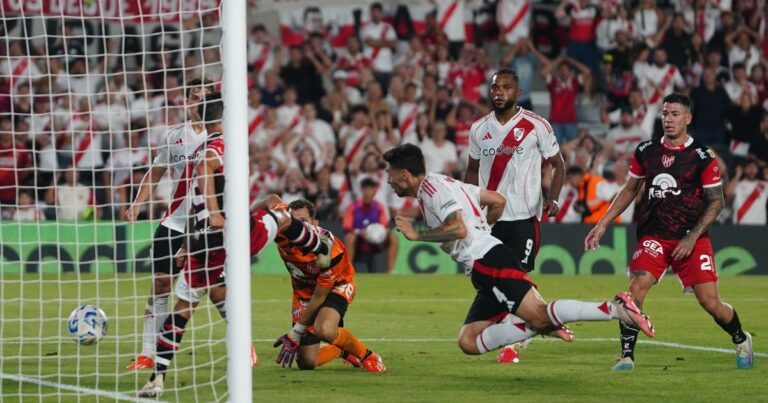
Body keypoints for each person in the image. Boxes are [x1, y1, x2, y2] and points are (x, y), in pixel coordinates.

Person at [384, 144, 655, 361]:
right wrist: (484, 227)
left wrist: (417, 234)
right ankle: (538, 325)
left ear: (404, 174)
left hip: (487, 260)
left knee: (538, 312)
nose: (388, 180)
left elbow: (458, 229)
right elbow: (497, 200)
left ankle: (614, 308)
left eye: (390, 173)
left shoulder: (432, 190)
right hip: (484, 264)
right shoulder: (443, 184)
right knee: (469, 341)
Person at [137, 96, 332, 397]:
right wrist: (216, 212)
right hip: (234, 233)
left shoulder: (201, 147)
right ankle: (318, 246)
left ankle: (157, 378)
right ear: (223, 119)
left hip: (207, 239)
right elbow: (205, 171)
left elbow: (200, 197)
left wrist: (193, 238)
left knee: (184, 307)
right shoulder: (218, 148)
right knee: (280, 218)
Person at [584, 93, 753, 371]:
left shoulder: (701, 156)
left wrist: (692, 236)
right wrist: (603, 223)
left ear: (688, 118)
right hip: (654, 234)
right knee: (636, 287)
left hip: (691, 236)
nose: (668, 119)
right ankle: (627, 355)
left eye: (675, 114)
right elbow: (630, 190)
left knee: (710, 303)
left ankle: (740, 337)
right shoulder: (646, 150)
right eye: (664, 113)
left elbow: (717, 201)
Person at [464, 69, 565, 363]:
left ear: (517, 92)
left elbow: (558, 164)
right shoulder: (478, 129)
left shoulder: (536, 125)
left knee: (517, 277)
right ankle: (538, 319)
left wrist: (553, 197)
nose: (499, 92)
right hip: (489, 220)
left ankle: (516, 341)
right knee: (487, 281)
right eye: (495, 87)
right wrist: (470, 206)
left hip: (523, 217)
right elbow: (471, 170)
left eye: (506, 87)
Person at [125, 77, 213, 370]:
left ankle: (244, 348)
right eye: (195, 97)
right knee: (161, 284)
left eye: (205, 97)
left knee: (221, 288)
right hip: (175, 222)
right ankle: (148, 352)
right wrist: (138, 202)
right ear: (187, 102)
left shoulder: (225, 138)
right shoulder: (174, 136)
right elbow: (155, 172)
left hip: (208, 225)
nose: (200, 102)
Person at [272, 199, 386, 372]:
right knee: (307, 363)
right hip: (303, 293)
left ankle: (368, 356)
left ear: (315, 223)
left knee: (324, 329)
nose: (299, 227)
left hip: (337, 284)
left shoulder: (329, 250)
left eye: (304, 222)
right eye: (295, 221)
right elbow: (271, 200)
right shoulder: (282, 234)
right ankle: (340, 350)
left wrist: (296, 332)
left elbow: (320, 296)